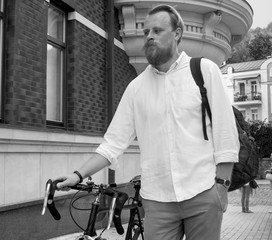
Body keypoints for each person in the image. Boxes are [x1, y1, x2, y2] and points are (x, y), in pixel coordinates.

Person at [54, 4, 239, 240]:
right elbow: (112, 144)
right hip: (158, 201)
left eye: (158, 31)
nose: (150, 36)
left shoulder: (204, 71)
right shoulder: (136, 88)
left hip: (203, 193)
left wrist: (221, 186)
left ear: (177, 33)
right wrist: (77, 175)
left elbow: (226, 133)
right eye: (146, 32)